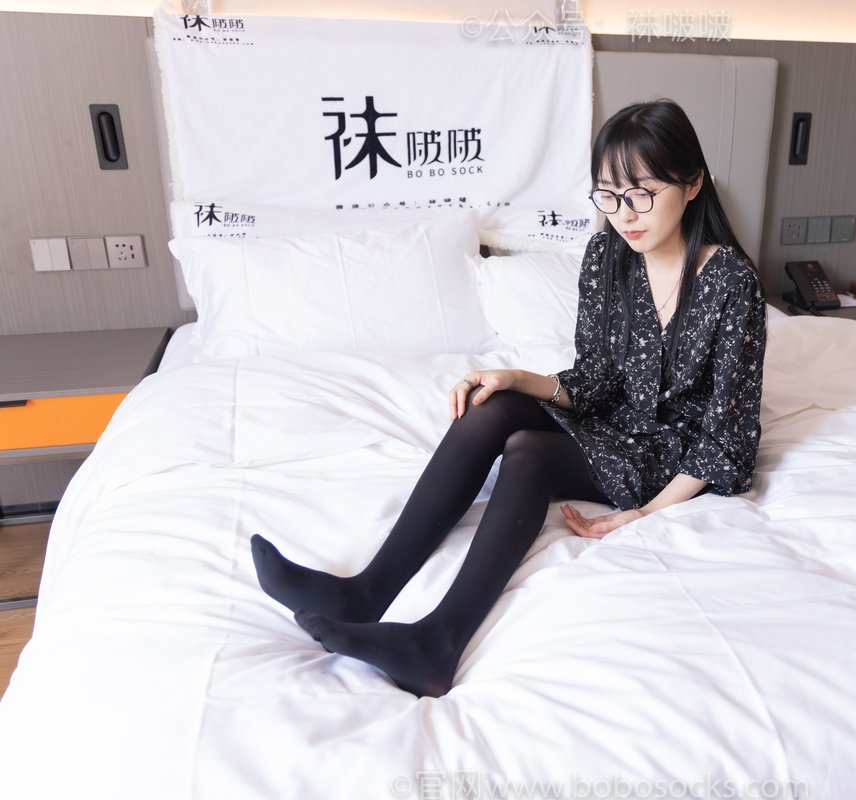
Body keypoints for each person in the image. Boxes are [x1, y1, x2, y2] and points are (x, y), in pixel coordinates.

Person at [251, 98, 768, 698]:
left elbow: (726, 437)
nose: (624, 214)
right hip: (616, 424)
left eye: (642, 194)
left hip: (674, 457)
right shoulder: (607, 256)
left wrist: (647, 513)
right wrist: (514, 377)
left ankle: (437, 643)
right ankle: (366, 592)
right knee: (490, 407)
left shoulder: (731, 281)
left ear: (693, 183)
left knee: (531, 452)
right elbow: (596, 381)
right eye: (608, 195)